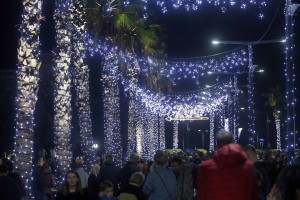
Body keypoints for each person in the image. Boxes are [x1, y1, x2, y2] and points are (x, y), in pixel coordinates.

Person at [197, 130, 258, 200]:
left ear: (217, 145)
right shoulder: (249, 166)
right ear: (233, 143)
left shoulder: (205, 168)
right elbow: (254, 195)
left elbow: (202, 196)